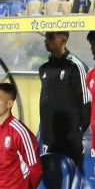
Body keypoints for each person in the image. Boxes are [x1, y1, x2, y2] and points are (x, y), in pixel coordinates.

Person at [38, 31, 91, 164]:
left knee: (73, 180)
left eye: (50, 37)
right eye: (46, 37)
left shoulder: (76, 66)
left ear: (64, 39)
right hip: (48, 139)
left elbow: (86, 101)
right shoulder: (44, 68)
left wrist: (76, 131)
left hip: (70, 140)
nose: (46, 40)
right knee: (53, 179)